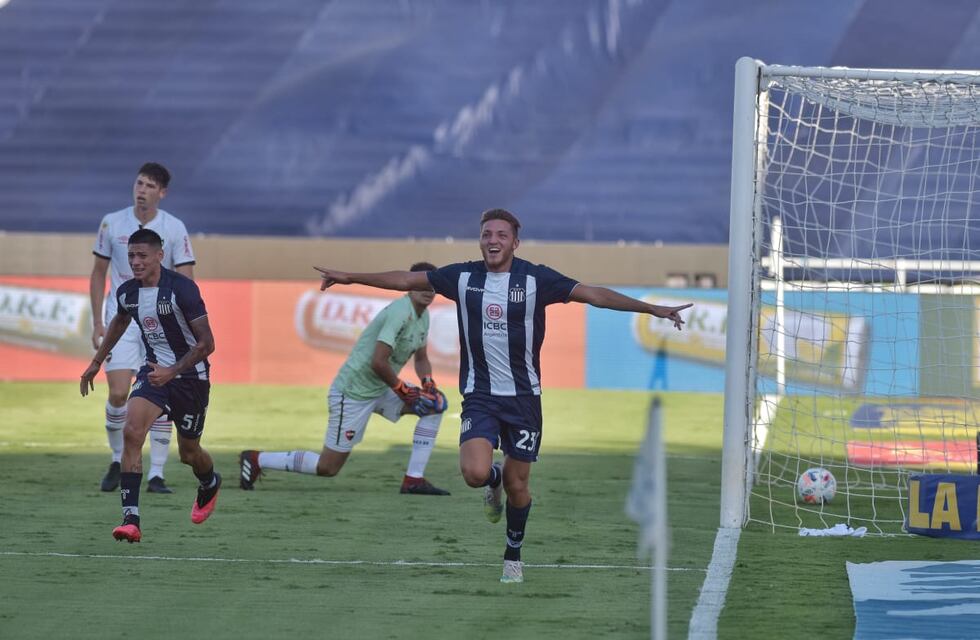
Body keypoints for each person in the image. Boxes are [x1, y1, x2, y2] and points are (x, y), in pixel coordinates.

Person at [313, 209, 692, 583]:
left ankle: (513, 553)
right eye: (486, 235)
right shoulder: (461, 276)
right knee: (474, 473)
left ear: (514, 242)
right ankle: (491, 478)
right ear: (480, 240)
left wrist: (651, 308)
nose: (492, 241)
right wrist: (350, 277)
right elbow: (406, 279)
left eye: (501, 235)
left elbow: (593, 294)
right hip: (480, 395)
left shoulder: (536, 279)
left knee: (519, 486)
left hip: (524, 400)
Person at [238, 262, 452, 496]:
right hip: (353, 392)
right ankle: (257, 459)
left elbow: (421, 358)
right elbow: (378, 362)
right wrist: (401, 388)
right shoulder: (400, 312)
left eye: (430, 286)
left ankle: (413, 479)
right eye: (420, 284)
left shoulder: (423, 317)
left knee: (434, 405)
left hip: (381, 387)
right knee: (328, 467)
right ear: (409, 286)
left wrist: (428, 382)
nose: (427, 290)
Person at [80, 229, 220, 543]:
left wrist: (174, 370)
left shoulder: (182, 289)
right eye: (131, 256)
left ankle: (209, 482)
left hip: (190, 378)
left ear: (160, 255)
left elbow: (206, 343)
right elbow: (120, 320)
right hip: (154, 373)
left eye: (142, 255)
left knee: (189, 453)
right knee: (132, 430)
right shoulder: (128, 292)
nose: (136, 261)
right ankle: (131, 519)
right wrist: (97, 360)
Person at [89, 162, 196, 495]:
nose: (142, 190)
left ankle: (156, 474)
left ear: (162, 193)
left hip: (160, 320)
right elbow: (98, 273)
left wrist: (185, 324)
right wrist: (97, 322)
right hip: (121, 316)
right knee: (120, 392)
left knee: (160, 391)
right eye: (139, 183)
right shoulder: (111, 222)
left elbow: (186, 278)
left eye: (150, 185)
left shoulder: (175, 228)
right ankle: (119, 459)